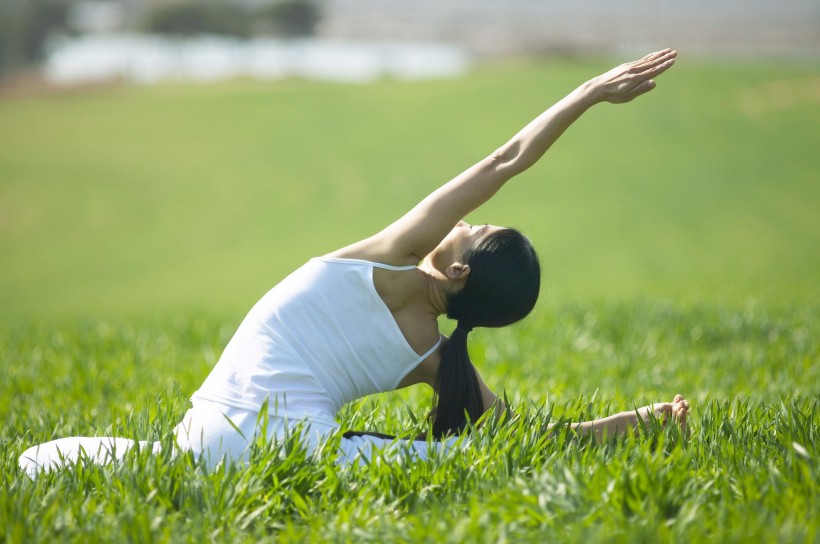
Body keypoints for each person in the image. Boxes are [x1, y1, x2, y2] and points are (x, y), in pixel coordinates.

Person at [19, 49, 689, 478]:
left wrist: (590, 92)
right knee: (464, 457)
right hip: (278, 455)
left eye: (473, 230)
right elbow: (532, 439)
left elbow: (501, 163)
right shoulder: (436, 356)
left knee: (33, 461)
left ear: (459, 273)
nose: (463, 220)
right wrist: (637, 423)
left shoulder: (391, 258)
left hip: (200, 442)